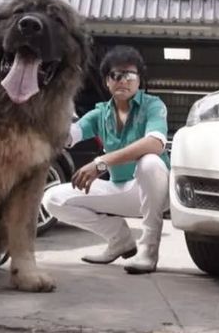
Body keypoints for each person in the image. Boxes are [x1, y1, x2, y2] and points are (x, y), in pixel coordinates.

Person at [41, 45, 170, 274]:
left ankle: (148, 251)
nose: (123, 80)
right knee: (53, 199)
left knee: (150, 162)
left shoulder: (153, 105)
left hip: (155, 190)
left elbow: (155, 143)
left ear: (139, 80)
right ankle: (120, 240)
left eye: (130, 74)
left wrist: (102, 162)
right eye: (115, 75)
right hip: (119, 189)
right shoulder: (99, 113)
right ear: (106, 82)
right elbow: (69, 136)